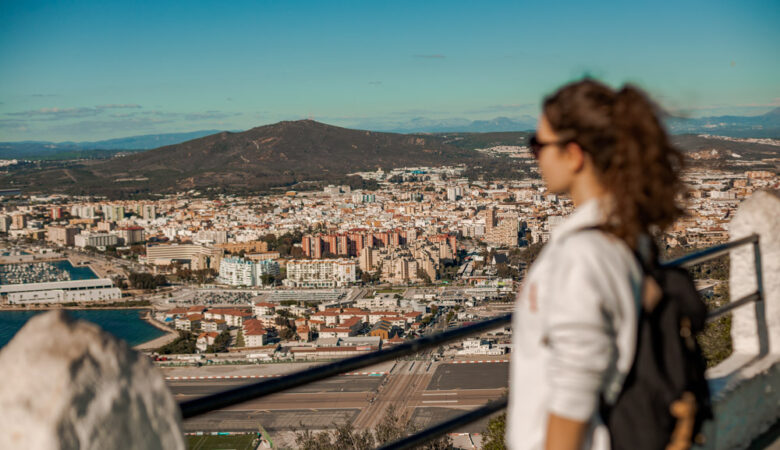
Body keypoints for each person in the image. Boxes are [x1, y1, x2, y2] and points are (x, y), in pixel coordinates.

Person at [506, 78, 686, 449]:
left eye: (538, 144)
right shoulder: (627, 234)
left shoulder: (582, 255)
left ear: (573, 154)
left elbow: (574, 390)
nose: (534, 155)